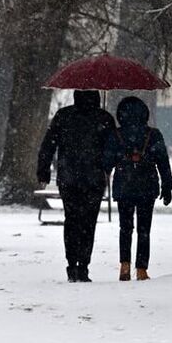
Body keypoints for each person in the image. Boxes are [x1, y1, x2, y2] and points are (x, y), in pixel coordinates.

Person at [37, 90, 116, 282]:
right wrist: (107, 166)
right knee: (88, 223)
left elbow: (48, 145)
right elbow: (112, 148)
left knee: (71, 220)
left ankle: (72, 264)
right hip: (94, 179)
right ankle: (83, 265)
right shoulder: (103, 118)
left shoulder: (64, 116)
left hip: (69, 177)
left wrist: (44, 171)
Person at [103, 96, 172, 281]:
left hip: (124, 186)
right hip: (147, 186)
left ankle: (124, 266)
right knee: (144, 229)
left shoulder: (116, 134)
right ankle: (141, 269)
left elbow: (107, 162)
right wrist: (167, 186)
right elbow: (163, 163)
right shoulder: (153, 135)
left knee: (125, 228)